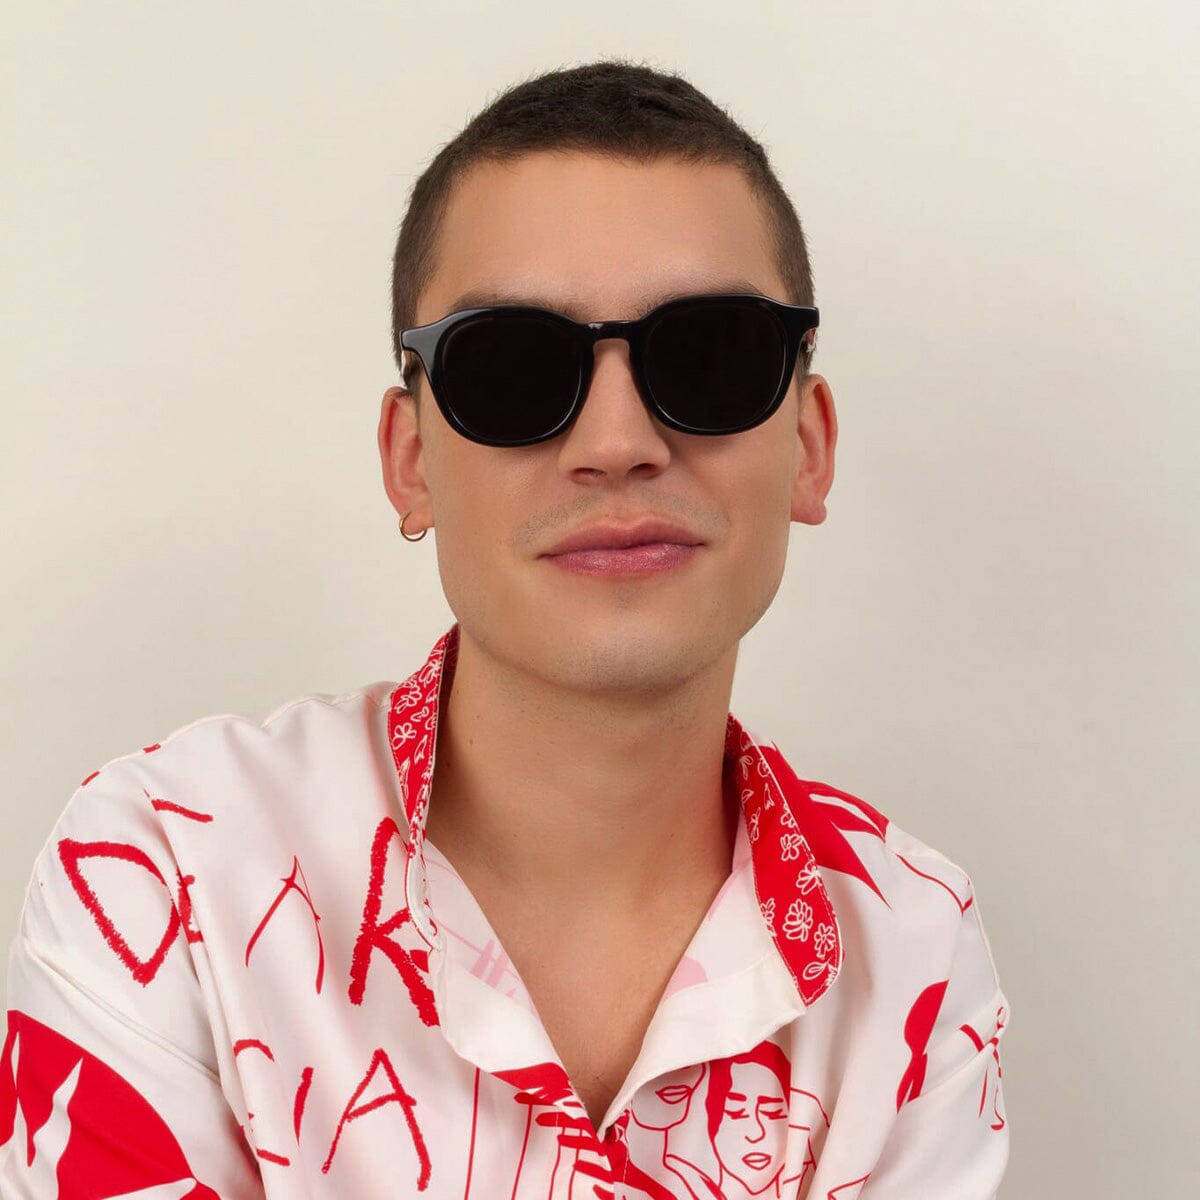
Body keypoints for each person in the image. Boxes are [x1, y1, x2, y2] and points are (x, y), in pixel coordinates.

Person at [0, 59, 1011, 1198]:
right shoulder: (165, 870)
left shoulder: (911, 942)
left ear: (810, 448)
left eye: (713, 355)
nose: (617, 444)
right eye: (513, 368)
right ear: (410, 461)